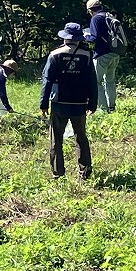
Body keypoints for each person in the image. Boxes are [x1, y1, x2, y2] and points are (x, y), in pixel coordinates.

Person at [39, 23, 97, 180]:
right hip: (79, 103)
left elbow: (47, 82)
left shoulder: (54, 55)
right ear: (79, 39)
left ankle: (58, 173)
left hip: (59, 103)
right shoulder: (87, 55)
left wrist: (43, 104)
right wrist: (93, 103)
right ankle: (85, 172)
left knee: (56, 139)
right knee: (81, 138)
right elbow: (92, 81)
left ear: (64, 37)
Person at [83, 0, 119, 112]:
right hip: (115, 53)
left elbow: (95, 38)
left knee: (96, 82)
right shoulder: (109, 16)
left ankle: (103, 109)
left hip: (102, 54)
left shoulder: (96, 19)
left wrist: (85, 36)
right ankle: (112, 107)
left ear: (90, 10)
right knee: (110, 81)